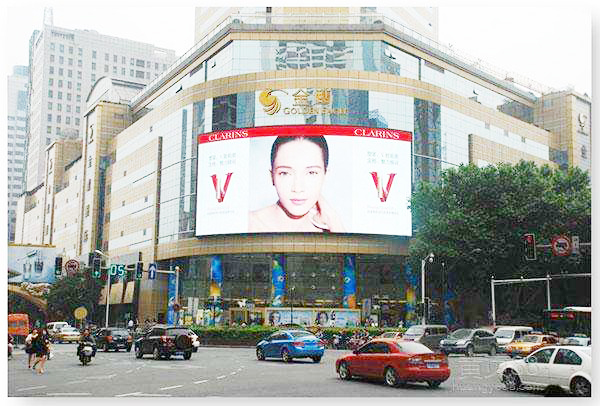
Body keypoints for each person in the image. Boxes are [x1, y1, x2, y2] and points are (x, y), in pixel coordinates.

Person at [249, 135, 345, 232]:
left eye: (311, 173)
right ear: (272, 177)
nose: (297, 188)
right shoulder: (249, 224)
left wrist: (334, 222)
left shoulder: (332, 227)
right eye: (285, 173)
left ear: (325, 176)